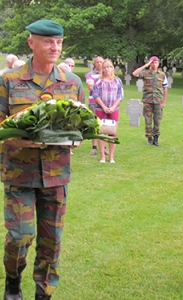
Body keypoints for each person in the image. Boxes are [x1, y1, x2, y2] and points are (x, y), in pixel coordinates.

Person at [0, 19, 84, 300]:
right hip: (18, 174)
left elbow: (81, 123)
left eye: (58, 42)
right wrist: (16, 139)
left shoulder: (72, 82)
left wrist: (76, 139)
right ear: (31, 43)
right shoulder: (9, 80)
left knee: (52, 243)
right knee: (20, 237)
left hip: (57, 174)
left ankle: (43, 293)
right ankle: (13, 280)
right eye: (48, 41)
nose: (54, 47)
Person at [92, 59, 123, 163]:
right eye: (105, 67)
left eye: (109, 67)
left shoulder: (118, 81)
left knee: (112, 132)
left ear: (112, 68)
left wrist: (113, 107)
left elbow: (120, 96)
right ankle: (102, 156)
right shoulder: (98, 81)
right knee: (101, 132)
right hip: (101, 109)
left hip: (114, 110)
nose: (107, 69)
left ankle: (111, 156)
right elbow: (95, 95)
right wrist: (104, 106)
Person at [132, 56, 168, 146]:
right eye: (152, 62)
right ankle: (149, 138)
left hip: (158, 101)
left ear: (158, 63)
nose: (154, 64)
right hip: (147, 100)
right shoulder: (145, 73)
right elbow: (134, 73)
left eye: (155, 62)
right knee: (148, 120)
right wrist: (146, 65)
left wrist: (164, 101)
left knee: (157, 120)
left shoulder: (162, 75)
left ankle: (156, 139)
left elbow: (165, 88)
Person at [85, 56, 105, 155]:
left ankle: (104, 147)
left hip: (106, 102)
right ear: (94, 63)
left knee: (105, 125)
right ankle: (94, 147)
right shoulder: (90, 74)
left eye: (101, 62)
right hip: (94, 101)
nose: (99, 64)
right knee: (95, 124)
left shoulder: (108, 74)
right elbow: (90, 87)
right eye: (97, 62)